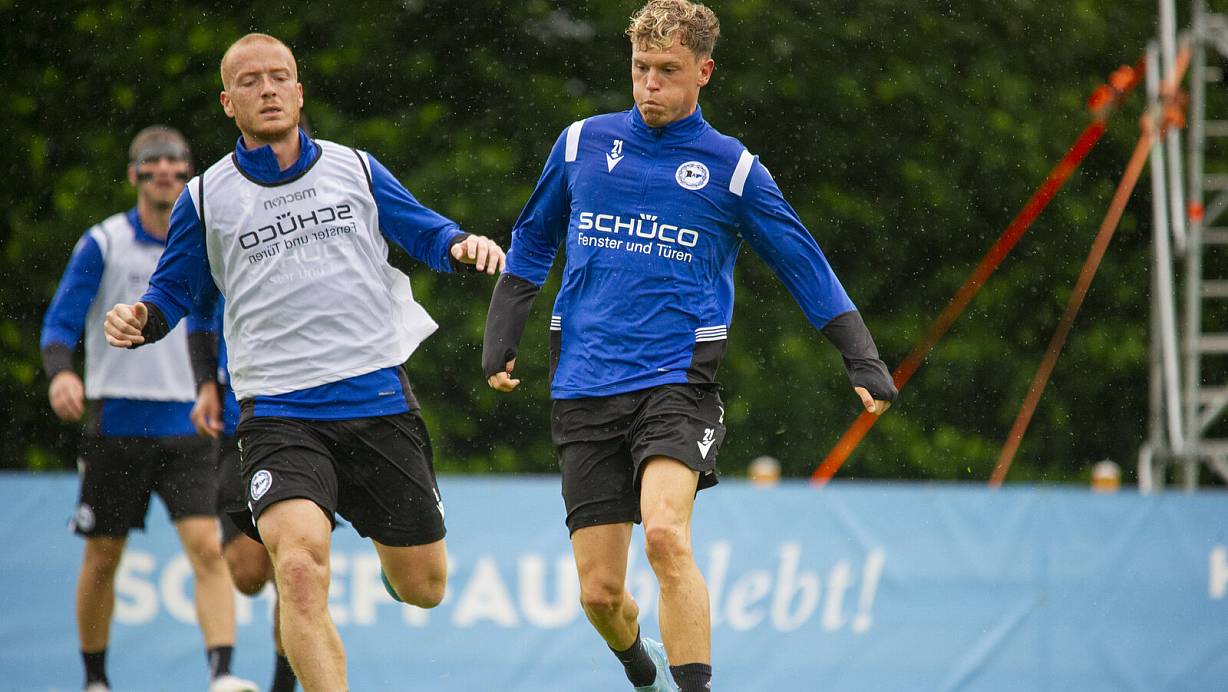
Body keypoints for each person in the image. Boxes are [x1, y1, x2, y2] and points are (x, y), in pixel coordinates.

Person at [482, 2, 897, 690]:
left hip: (676, 384)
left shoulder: (733, 170)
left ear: (703, 72)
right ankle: (636, 663)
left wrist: (861, 356)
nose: (649, 84)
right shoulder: (582, 142)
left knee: (667, 535)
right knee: (599, 595)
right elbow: (533, 238)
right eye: (641, 69)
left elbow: (802, 261)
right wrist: (503, 332)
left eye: (667, 71)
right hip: (583, 384)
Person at [102, 33, 504, 690]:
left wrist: (462, 247)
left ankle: (382, 544)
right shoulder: (205, 199)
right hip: (279, 415)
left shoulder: (356, 167)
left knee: (424, 586)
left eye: (279, 77)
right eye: (251, 81)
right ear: (228, 102)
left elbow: (426, 231)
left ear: (299, 91)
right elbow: (174, 291)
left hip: (376, 401)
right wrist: (140, 319)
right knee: (296, 572)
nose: (267, 89)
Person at [40, 126, 257, 692]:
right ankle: (95, 680)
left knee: (208, 549)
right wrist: (62, 374)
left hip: (187, 420)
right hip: (116, 423)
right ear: (135, 174)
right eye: (153, 163)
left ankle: (222, 673)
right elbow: (61, 323)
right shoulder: (104, 242)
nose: (166, 171)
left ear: (189, 175)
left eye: (177, 163)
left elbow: (215, 322)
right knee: (104, 555)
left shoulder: (205, 240)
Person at [189, 296, 297, 692]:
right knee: (249, 574)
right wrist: (204, 383)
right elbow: (198, 316)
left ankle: (283, 685)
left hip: (300, 426)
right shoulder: (219, 243)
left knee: (296, 567)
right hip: (239, 428)